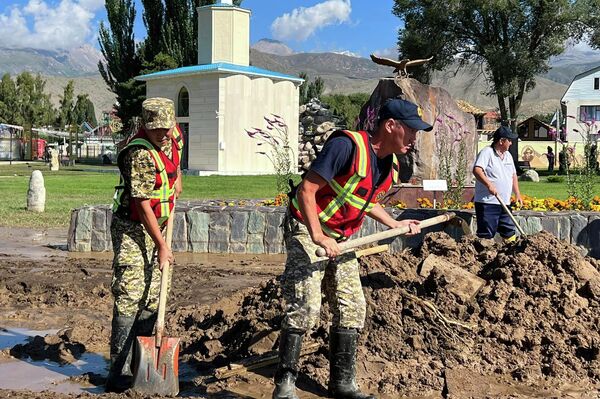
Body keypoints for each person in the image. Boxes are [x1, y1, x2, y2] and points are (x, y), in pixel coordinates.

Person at [273, 98, 431, 399]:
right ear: (390, 126)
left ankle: (341, 384)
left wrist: (395, 224)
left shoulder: (388, 163)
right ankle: (285, 383)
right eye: (410, 131)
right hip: (308, 227)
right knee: (306, 304)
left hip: (341, 237)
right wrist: (318, 236)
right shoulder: (347, 147)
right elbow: (307, 189)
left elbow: (364, 201)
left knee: (352, 306)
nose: (414, 139)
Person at [106, 97, 184, 392]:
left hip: (159, 225)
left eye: (167, 128)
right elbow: (141, 203)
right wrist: (162, 245)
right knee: (130, 292)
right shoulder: (137, 154)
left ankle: (143, 365)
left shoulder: (172, 136)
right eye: (156, 130)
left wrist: (176, 178)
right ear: (145, 126)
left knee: (153, 295)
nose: (163, 134)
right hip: (132, 227)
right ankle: (119, 371)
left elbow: (177, 145)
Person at [472, 126, 522, 241]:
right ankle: (484, 255)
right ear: (501, 141)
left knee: (509, 230)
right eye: (509, 140)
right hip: (488, 203)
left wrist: (517, 193)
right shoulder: (487, 153)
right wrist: (489, 184)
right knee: (487, 233)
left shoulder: (508, 156)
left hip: (504, 202)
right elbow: (477, 170)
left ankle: (512, 255)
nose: (511, 143)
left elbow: (513, 175)